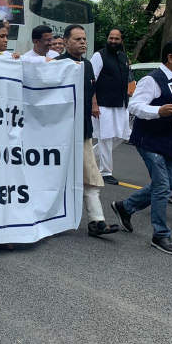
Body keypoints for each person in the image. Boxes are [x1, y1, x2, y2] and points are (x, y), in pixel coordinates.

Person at [111, 41, 172, 256]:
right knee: (163, 186)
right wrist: (159, 111)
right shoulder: (152, 80)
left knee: (166, 184)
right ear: (170, 57)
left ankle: (125, 207)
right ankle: (160, 234)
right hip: (149, 139)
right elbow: (135, 106)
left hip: (170, 140)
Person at [54, 25, 119, 237]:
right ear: (65, 42)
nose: (83, 42)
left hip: (83, 131)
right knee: (56, 179)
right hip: (58, 134)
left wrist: (94, 104)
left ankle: (96, 221)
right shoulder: (55, 65)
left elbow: (90, 90)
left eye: (84, 39)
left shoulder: (88, 65)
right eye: (77, 39)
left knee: (90, 176)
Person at [91, 29, 131, 185]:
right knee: (105, 138)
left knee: (123, 135)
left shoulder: (123, 56)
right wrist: (93, 103)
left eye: (116, 38)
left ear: (121, 40)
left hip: (121, 104)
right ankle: (105, 172)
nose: (113, 41)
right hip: (103, 104)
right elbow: (91, 80)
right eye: (111, 38)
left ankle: (86, 157)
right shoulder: (98, 56)